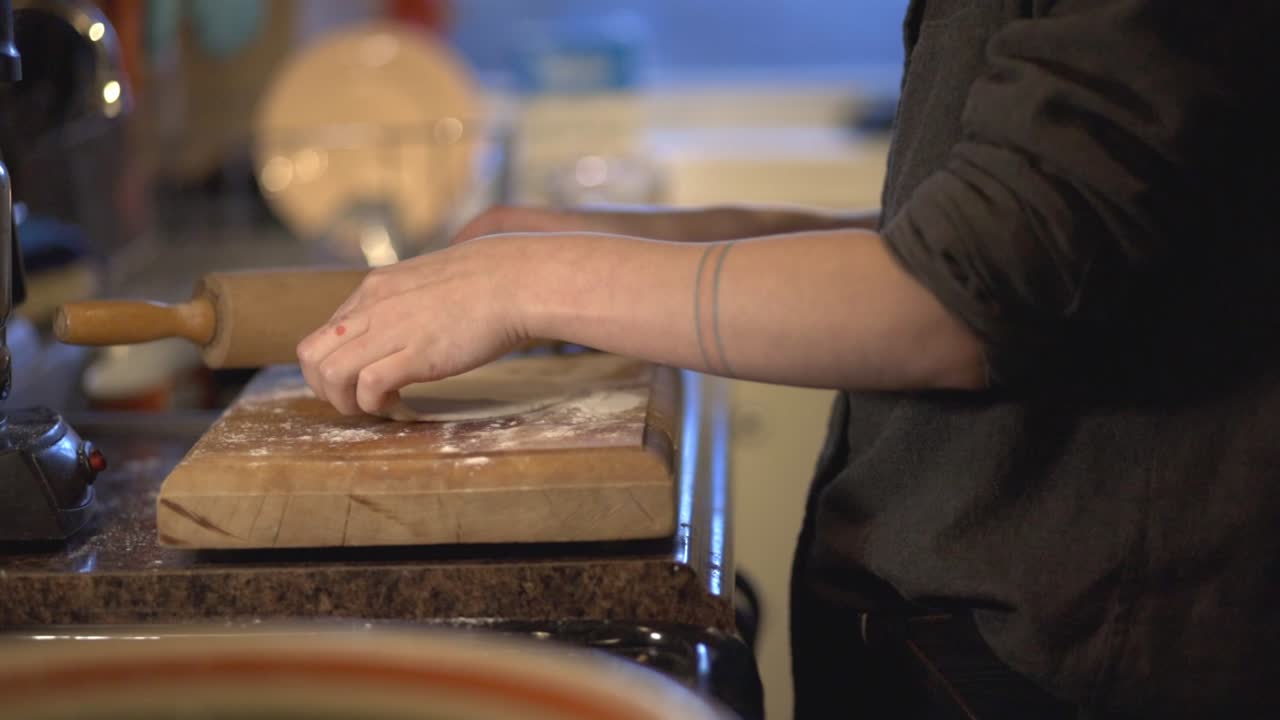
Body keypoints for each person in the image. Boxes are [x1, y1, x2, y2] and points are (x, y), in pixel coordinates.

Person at [297, 1, 1279, 717]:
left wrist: (528, 282)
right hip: (973, 628)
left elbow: (955, 299)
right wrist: (613, 240)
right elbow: (970, 239)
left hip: (1052, 660)